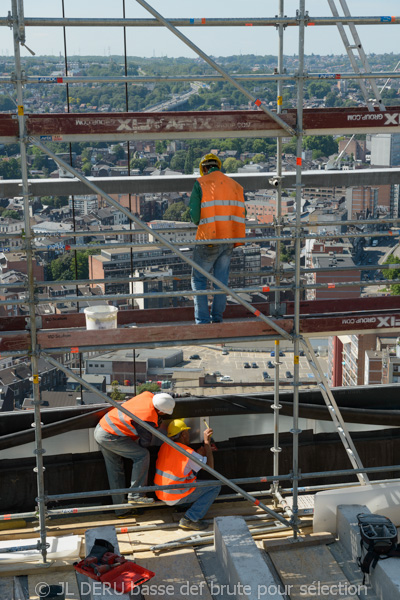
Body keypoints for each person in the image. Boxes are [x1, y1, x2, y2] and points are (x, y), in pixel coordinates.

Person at [94, 391, 175, 517]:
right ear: (160, 411)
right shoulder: (148, 418)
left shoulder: (147, 395)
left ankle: (121, 510)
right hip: (111, 436)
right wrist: (155, 426)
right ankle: (136, 495)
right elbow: (144, 443)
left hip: (103, 427)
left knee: (115, 471)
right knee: (142, 455)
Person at [190, 153, 246, 324]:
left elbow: (195, 217)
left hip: (208, 239)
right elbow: (242, 213)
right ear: (218, 166)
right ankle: (218, 318)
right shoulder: (235, 185)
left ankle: (202, 321)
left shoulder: (201, 183)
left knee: (199, 279)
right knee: (221, 281)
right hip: (228, 239)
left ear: (204, 169)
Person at [154, 418, 221, 531]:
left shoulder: (165, 446)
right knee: (215, 486)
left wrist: (198, 456)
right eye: (188, 433)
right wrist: (207, 444)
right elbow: (210, 468)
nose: (189, 436)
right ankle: (190, 519)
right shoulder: (187, 453)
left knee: (191, 483)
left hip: (161, 493)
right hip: (175, 495)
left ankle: (182, 507)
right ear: (184, 434)